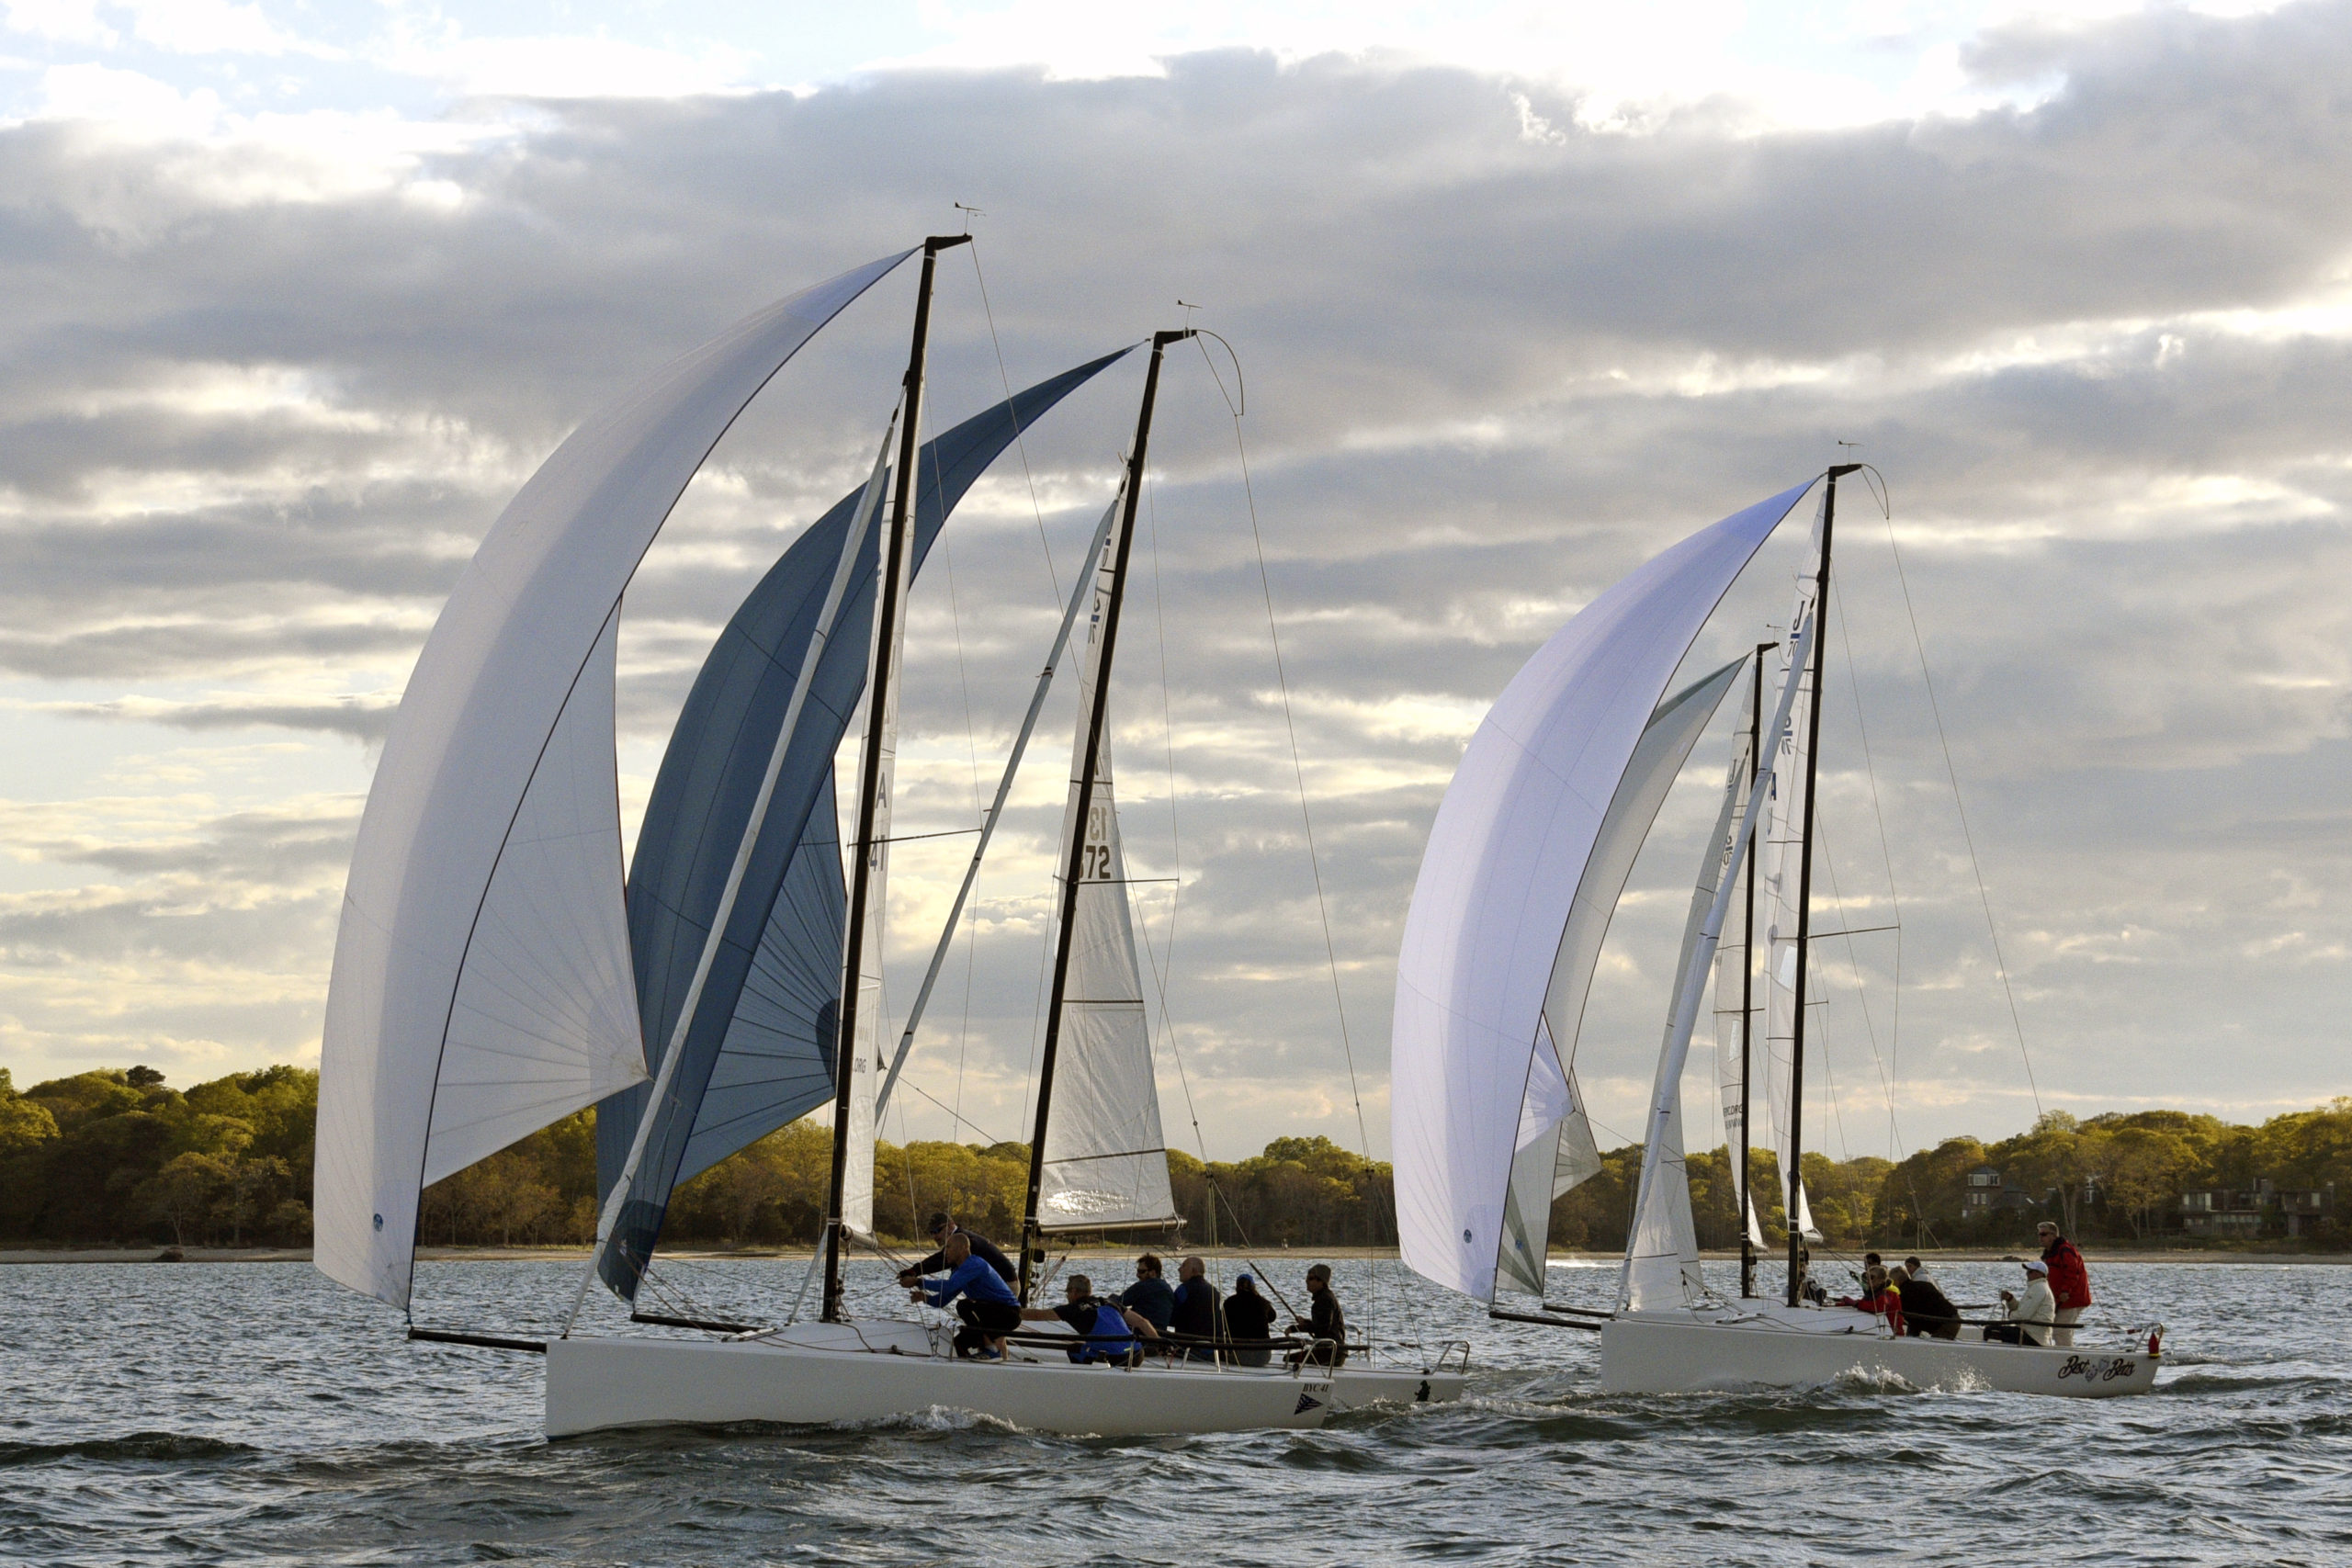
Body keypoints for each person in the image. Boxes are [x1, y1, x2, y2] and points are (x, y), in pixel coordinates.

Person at [910, 1232, 1021, 1359]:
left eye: (949, 1247)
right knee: (959, 1342)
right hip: (990, 1313)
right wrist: (924, 1297)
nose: (945, 1252)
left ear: (962, 1248)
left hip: (1008, 1314)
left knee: (964, 1305)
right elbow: (941, 1301)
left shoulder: (975, 1264)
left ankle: (992, 1350)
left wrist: (918, 1281)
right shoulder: (960, 1272)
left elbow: (949, 1286)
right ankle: (969, 1366)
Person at [1020, 1273, 1155, 1366]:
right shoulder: (1108, 1301)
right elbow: (1143, 1322)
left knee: (1074, 1349)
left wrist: (1012, 1312)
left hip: (1117, 1358)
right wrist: (1159, 1344)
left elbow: (1038, 1315)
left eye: (1067, 1292)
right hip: (1137, 1353)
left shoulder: (1073, 1309)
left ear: (1073, 1292)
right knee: (1088, 1344)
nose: (1067, 1296)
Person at [898, 1213, 1014, 1289]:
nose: (934, 1236)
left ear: (950, 1226)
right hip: (994, 1285)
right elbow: (942, 1259)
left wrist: (914, 1273)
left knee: (964, 1307)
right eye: (931, 1232)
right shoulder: (960, 1237)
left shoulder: (963, 1240)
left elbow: (941, 1261)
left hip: (1006, 1285)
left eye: (937, 1231)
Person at [2038, 1221, 2093, 1347]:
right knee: (2059, 1330)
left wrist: (2065, 1291)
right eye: (2039, 1235)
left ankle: (2067, 1358)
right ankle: (2063, 1354)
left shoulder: (2065, 1251)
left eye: (2043, 1234)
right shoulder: (2049, 1254)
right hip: (2060, 1300)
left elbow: (2072, 1272)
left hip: (2072, 1298)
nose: (2040, 1238)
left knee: (2060, 1331)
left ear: (2053, 1235)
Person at [1286, 1263, 1348, 1369]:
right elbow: (1323, 1325)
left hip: (1331, 1352)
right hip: (1332, 1351)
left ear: (1321, 1281)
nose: (1306, 1281)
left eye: (1310, 1278)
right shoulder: (1325, 1297)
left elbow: (1322, 1329)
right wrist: (1306, 1322)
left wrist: (1295, 1328)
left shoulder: (1324, 1300)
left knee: (1287, 1359)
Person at [1987, 1259, 2056, 1346]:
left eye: (2030, 1271)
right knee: (1996, 1329)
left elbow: (2023, 1316)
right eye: (2027, 1271)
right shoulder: (2037, 1287)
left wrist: (2010, 1315)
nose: (2027, 1274)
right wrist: (2010, 1300)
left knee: (1990, 1330)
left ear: (2039, 1274)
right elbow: (2022, 1309)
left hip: (2034, 1336)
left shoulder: (2038, 1289)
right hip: (2032, 1333)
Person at [1169, 1256, 1224, 1363]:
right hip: (1213, 1351)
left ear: (1194, 1271)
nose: (1179, 1269)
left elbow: (1171, 1318)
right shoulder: (1214, 1291)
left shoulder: (1183, 1289)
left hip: (1189, 1349)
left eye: (1183, 1266)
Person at [1889, 1263, 1961, 1340]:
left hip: (1946, 1323)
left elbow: (1913, 1320)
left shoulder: (1904, 1295)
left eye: (1890, 1282)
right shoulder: (1923, 1285)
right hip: (1954, 1318)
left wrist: (1909, 1339)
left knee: (1934, 1349)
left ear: (1896, 1282)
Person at [1222, 1273, 1277, 1367]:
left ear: (1237, 1286)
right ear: (1253, 1286)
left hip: (1238, 1356)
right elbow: (1273, 1317)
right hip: (1263, 1357)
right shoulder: (1263, 1302)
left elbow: (1221, 1324)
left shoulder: (1229, 1303)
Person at [1835, 1264, 1905, 1337]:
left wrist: (1855, 1303)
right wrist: (1840, 1304)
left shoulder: (1889, 1294)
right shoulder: (1873, 1293)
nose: (1868, 1280)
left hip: (1893, 1333)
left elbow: (1877, 1307)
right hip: (1880, 1331)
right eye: (1866, 1277)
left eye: (1872, 1277)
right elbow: (1865, 1303)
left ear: (1881, 1280)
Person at [1119, 1253, 1176, 1336]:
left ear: (1153, 1273)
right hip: (1160, 1334)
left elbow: (1118, 1302)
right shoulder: (1168, 1289)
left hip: (1141, 1336)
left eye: (1141, 1271)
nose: (1137, 1275)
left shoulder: (1143, 1286)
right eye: (1137, 1271)